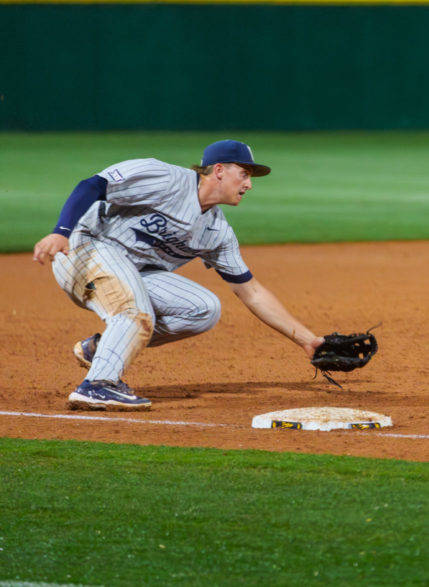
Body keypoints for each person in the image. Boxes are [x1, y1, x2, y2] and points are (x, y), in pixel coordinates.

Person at [32, 139, 325, 411]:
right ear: (219, 170)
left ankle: (102, 350)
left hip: (132, 273)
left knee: (204, 309)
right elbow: (93, 185)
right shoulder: (165, 178)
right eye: (244, 174)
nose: (249, 184)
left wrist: (307, 341)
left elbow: (252, 292)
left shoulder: (216, 232)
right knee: (134, 310)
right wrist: (61, 232)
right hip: (85, 249)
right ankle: (97, 385)